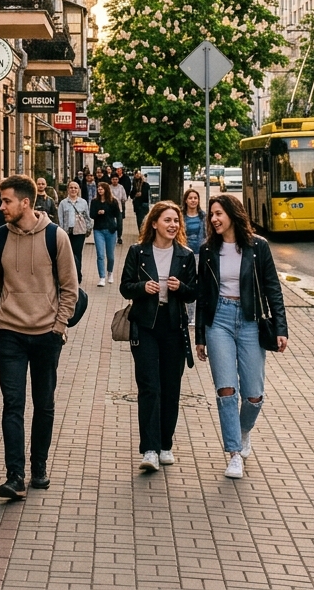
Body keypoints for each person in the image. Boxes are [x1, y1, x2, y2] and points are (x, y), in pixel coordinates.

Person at [0, 175, 77, 499]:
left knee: (44, 404)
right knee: (13, 404)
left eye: (6, 200)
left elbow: (69, 288)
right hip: (10, 334)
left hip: (47, 334)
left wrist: (59, 327)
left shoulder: (56, 237)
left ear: (25, 202)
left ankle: (39, 466)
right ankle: (15, 476)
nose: (0, 206)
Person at [195, 195, 288, 479]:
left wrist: (281, 328)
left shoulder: (258, 247)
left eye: (219, 214)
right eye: (211, 215)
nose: (214, 219)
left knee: (254, 395)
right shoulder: (209, 250)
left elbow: (273, 288)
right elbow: (203, 296)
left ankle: (243, 429)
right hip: (218, 321)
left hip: (249, 321)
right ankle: (235, 453)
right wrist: (200, 335)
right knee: (226, 390)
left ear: (233, 214)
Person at [119, 200, 197, 472]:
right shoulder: (137, 252)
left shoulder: (185, 255)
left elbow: (194, 292)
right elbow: (125, 287)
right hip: (146, 327)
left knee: (171, 389)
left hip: (174, 327)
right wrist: (143, 287)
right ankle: (149, 449)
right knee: (150, 387)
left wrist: (180, 287)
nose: (173, 225)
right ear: (154, 223)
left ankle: (166, 445)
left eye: (176, 221)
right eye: (167, 220)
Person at [57, 180, 91, 282]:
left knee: (77, 254)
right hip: (66, 233)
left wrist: (88, 229)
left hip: (79, 232)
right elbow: (60, 219)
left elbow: (87, 217)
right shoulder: (63, 203)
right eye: (71, 187)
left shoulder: (83, 202)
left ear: (78, 190)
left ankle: (77, 276)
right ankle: (67, 276)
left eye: (75, 188)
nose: (73, 190)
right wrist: (61, 232)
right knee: (66, 255)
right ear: (68, 189)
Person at [182, 188, 205, 325]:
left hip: (199, 253)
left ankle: (195, 315)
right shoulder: (181, 216)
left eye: (195, 198)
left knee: (197, 284)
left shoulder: (203, 216)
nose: (193, 200)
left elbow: (208, 235)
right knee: (187, 283)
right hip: (185, 254)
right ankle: (187, 314)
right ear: (186, 200)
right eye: (190, 198)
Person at [90, 183, 120, 287]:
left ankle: (110, 273)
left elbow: (118, 215)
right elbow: (91, 214)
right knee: (100, 255)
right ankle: (102, 277)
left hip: (111, 230)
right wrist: (98, 213)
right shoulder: (94, 202)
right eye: (98, 189)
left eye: (102, 189)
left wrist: (119, 230)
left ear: (106, 190)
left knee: (110, 256)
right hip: (98, 230)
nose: (100, 190)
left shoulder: (113, 201)